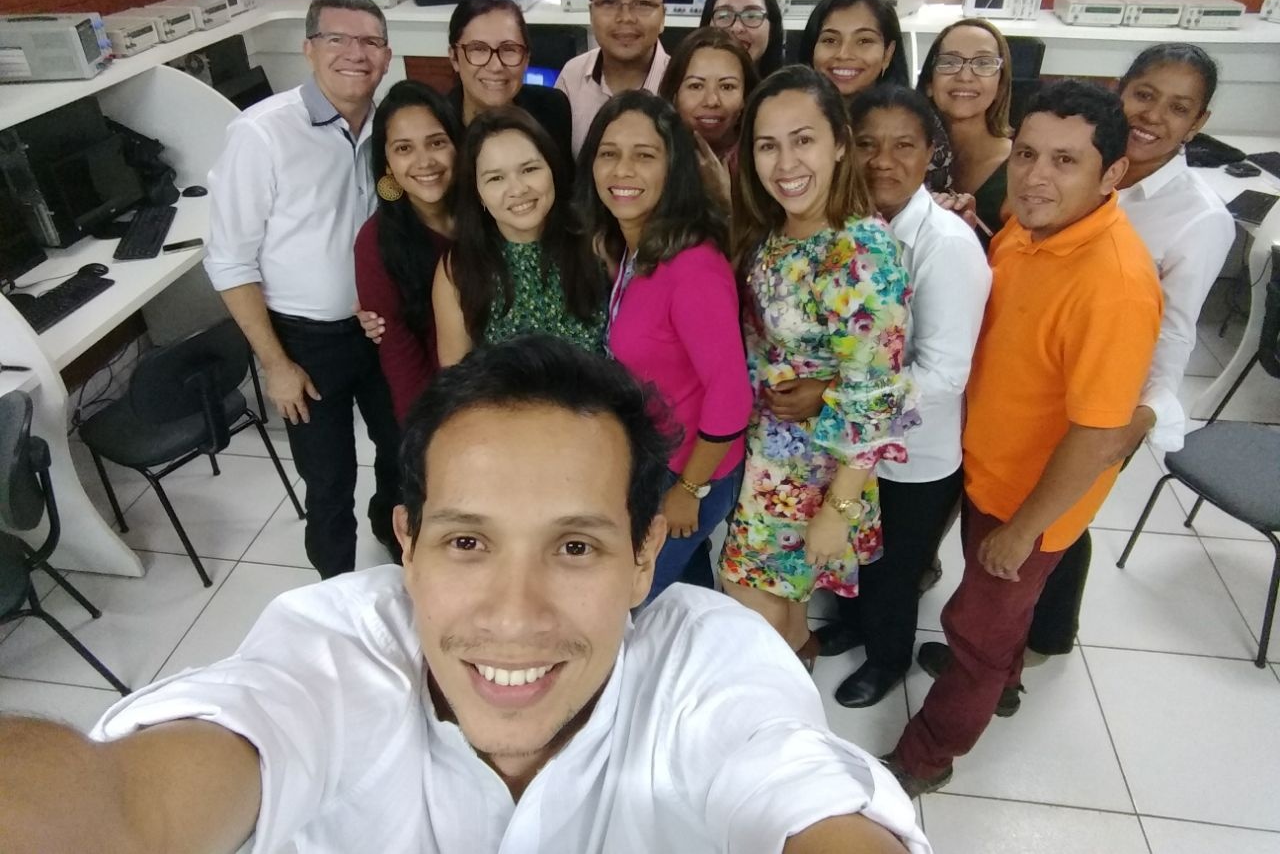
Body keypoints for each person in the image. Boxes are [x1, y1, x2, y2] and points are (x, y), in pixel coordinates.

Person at [0, 336, 932, 854]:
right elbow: (133, 802)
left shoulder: (711, 661)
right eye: (467, 541)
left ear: (646, 556)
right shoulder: (340, 647)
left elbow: (796, 789)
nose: (514, 614)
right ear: (405, 546)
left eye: (574, 545)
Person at [884, 80, 1162, 798]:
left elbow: (1100, 432)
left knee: (974, 627)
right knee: (993, 621)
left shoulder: (1115, 284)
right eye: (1030, 153)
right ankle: (1002, 679)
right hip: (988, 470)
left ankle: (927, 754)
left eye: (1067, 162)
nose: (1039, 176)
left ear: (1112, 175)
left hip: (1030, 502)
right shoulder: (1032, 224)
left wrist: (1024, 531)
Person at [1025, 42, 1236, 660]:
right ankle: (1028, 635)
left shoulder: (1199, 217)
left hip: (1110, 398)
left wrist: (1138, 419)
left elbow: (1176, 329)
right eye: (1144, 94)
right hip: (1043, 374)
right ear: (1120, 89)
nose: (1152, 116)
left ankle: (1038, 641)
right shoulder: (1082, 164)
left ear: (1196, 124)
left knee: (1060, 520)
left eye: (1178, 108)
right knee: (1034, 508)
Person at [719, 65, 917, 670]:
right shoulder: (774, 232)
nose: (786, 163)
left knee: (747, 597)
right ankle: (797, 700)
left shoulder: (859, 250)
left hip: (818, 471)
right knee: (784, 604)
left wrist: (841, 510)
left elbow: (877, 393)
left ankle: (776, 728)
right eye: (768, 145)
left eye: (802, 139)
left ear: (838, 144)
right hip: (768, 452)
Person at [203, 0, 402, 577]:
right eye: (337, 39)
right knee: (329, 476)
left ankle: (392, 538)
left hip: (379, 329)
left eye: (369, 41)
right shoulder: (262, 134)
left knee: (401, 452)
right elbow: (229, 260)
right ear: (309, 49)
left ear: (387, 57)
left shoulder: (388, 127)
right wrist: (275, 363)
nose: (355, 54)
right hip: (304, 341)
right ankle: (334, 589)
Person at [812, 86, 989, 707]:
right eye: (866, 144)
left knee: (893, 569)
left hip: (913, 452)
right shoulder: (843, 229)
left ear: (930, 154)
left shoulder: (946, 245)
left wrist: (840, 402)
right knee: (855, 552)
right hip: (848, 442)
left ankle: (888, 660)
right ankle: (855, 627)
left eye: (903, 146)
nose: (882, 161)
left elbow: (943, 373)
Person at [577, 90, 753, 601]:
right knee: (681, 591)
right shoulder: (632, 245)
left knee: (630, 595)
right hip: (655, 453)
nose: (622, 169)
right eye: (609, 153)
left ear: (672, 169)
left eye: (644, 155)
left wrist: (689, 492)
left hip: (693, 470)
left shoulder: (693, 266)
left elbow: (730, 393)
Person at [432, 106, 605, 363]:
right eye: (496, 178)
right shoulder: (458, 268)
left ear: (552, 169)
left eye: (529, 170)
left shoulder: (595, 243)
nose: (517, 189)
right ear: (477, 192)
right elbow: (455, 378)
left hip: (597, 400)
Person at [354, 80, 461, 427]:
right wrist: (427, 436)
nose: (424, 161)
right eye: (404, 149)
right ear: (386, 165)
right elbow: (401, 359)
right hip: (443, 407)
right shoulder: (376, 244)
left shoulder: (491, 212)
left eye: (437, 143)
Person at [798, 0, 951, 191]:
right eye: (830, 40)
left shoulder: (916, 121)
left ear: (888, 54)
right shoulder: (788, 116)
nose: (844, 54)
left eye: (864, 41)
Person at [556, 0, 670, 155]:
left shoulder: (684, 83)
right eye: (609, 2)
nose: (625, 17)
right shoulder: (572, 76)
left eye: (643, 3)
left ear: (663, 16)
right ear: (591, 13)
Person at [917, 17, 1014, 244]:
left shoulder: (1021, 166)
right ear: (930, 83)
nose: (965, 76)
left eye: (983, 63)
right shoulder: (900, 155)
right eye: (950, 62)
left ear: (1000, 85)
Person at [445, 0, 573, 163]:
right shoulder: (435, 126)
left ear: (527, 58)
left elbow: (567, 184)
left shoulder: (552, 109)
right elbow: (396, 188)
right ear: (454, 58)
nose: (496, 66)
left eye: (509, 49)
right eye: (478, 49)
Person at [658, 26, 760, 215]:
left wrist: (724, 201)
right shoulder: (655, 153)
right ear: (674, 94)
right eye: (696, 86)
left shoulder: (762, 160)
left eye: (727, 87)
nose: (712, 101)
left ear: (745, 97)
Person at [700, 0, 786, 77]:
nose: (737, 28)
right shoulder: (683, 89)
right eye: (724, 16)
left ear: (772, 27)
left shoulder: (787, 91)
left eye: (751, 16)